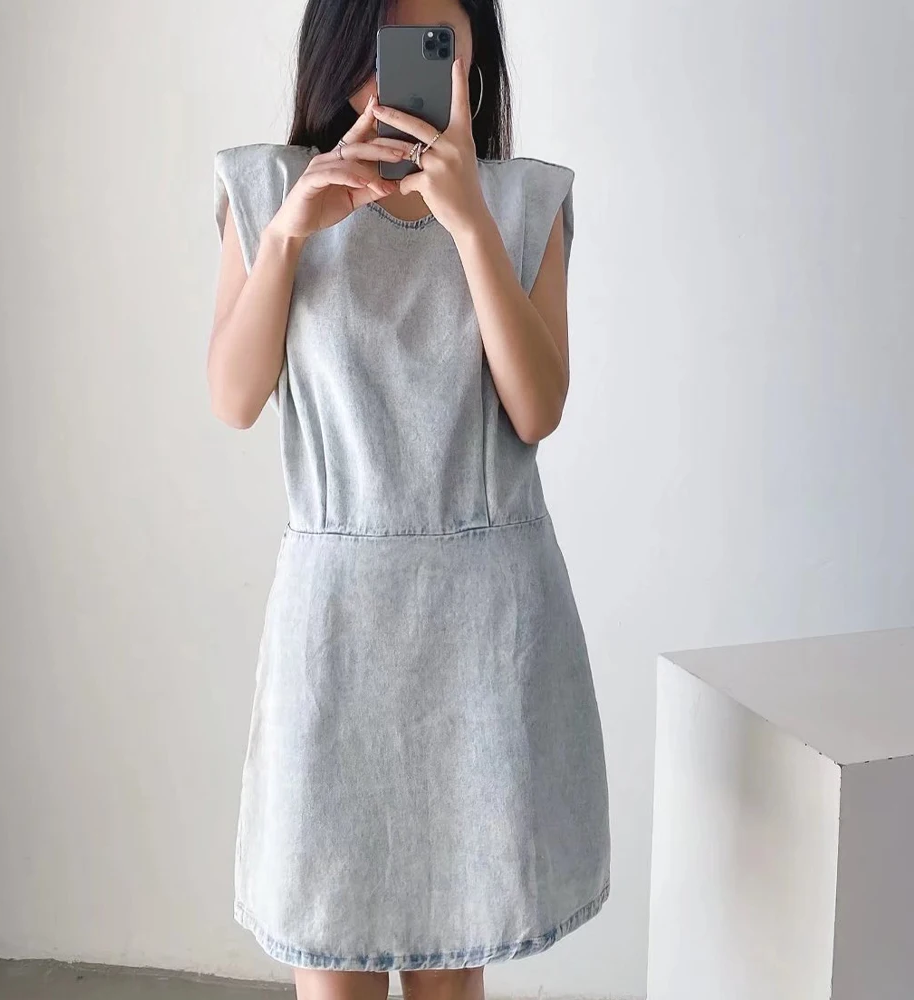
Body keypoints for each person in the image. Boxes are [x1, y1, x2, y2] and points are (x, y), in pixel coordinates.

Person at [208, 1, 610, 998]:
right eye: (380, 52)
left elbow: (536, 408)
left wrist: (470, 221)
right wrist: (290, 234)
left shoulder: (524, 204)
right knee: (329, 963)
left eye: (437, 50)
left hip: (480, 633)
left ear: (475, 63)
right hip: (336, 635)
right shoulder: (267, 192)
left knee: (450, 970)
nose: (401, 85)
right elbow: (234, 398)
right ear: (336, 54)